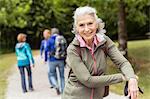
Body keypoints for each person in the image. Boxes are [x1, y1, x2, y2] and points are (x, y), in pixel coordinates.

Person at [62, 6, 139, 99]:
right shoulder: (73, 49)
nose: (86, 29)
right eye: (81, 25)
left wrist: (131, 78)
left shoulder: (104, 41)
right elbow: (88, 80)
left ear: (97, 24)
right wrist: (122, 77)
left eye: (90, 23)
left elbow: (122, 62)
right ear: (76, 28)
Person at [46, 28, 67, 95]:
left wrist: (46, 58)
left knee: (52, 74)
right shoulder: (62, 39)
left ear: (52, 33)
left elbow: (46, 50)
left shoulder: (50, 40)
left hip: (52, 60)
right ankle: (63, 91)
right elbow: (66, 49)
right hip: (61, 60)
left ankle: (56, 85)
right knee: (62, 76)